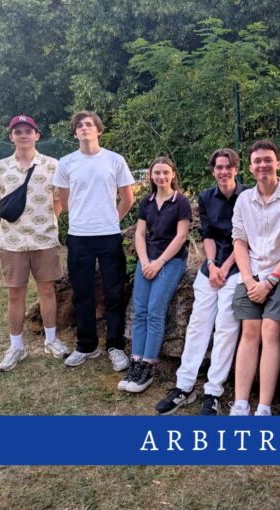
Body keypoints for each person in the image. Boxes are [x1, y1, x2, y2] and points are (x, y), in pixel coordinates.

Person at [155, 148, 247, 416]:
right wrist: (212, 264)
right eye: (219, 167)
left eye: (228, 166)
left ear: (236, 169)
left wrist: (225, 267)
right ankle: (184, 386)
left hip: (238, 266)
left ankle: (213, 391)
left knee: (226, 326)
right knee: (198, 324)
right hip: (212, 266)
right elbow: (207, 234)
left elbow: (245, 237)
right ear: (213, 170)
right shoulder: (206, 197)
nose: (223, 171)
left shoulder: (248, 196)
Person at [230, 139, 280, 416]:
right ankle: (240, 404)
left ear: (278, 163)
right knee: (249, 331)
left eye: (268, 160)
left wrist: (270, 281)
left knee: (271, 330)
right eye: (257, 161)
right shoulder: (243, 199)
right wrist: (249, 280)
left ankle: (264, 407)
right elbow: (239, 242)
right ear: (250, 167)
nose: (263, 165)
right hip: (251, 272)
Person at [52, 111, 135, 370]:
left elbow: (128, 198)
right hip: (79, 237)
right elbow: (66, 202)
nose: (84, 128)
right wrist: (83, 218)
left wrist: (111, 220)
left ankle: (115, 346)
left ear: (99, 130)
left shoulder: (114, 160)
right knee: (82, 293)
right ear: (75, 132)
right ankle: (87, 345)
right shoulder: (66, 163)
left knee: (114, 292)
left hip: (109, 236)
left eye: (89, 124)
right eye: (79, 125)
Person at [0, 114, 68, 372]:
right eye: (18, 131)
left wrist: (47, 224)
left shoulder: (52, 165)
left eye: (28, 131)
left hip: (45, 239)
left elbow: (58, 201)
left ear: (37, 135)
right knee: (15, 294)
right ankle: (16, 347)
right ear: (11, 136)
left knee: (47, 291)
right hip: (11, 242)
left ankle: (51, 340)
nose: (23, 135)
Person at [118, 156, 192, 393]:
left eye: (165, 172)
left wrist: (158, 263)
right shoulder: (146, 201)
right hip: (147, 260)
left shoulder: (181, 202)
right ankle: (136, 361)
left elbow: (181, 237)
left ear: (173, 175)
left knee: (154, 311)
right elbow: (140, 234)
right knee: (140, 312)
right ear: (151, 175)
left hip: (171, 261)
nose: (161, 176)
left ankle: (148, 365)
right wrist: (144, 262)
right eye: (157, 172)